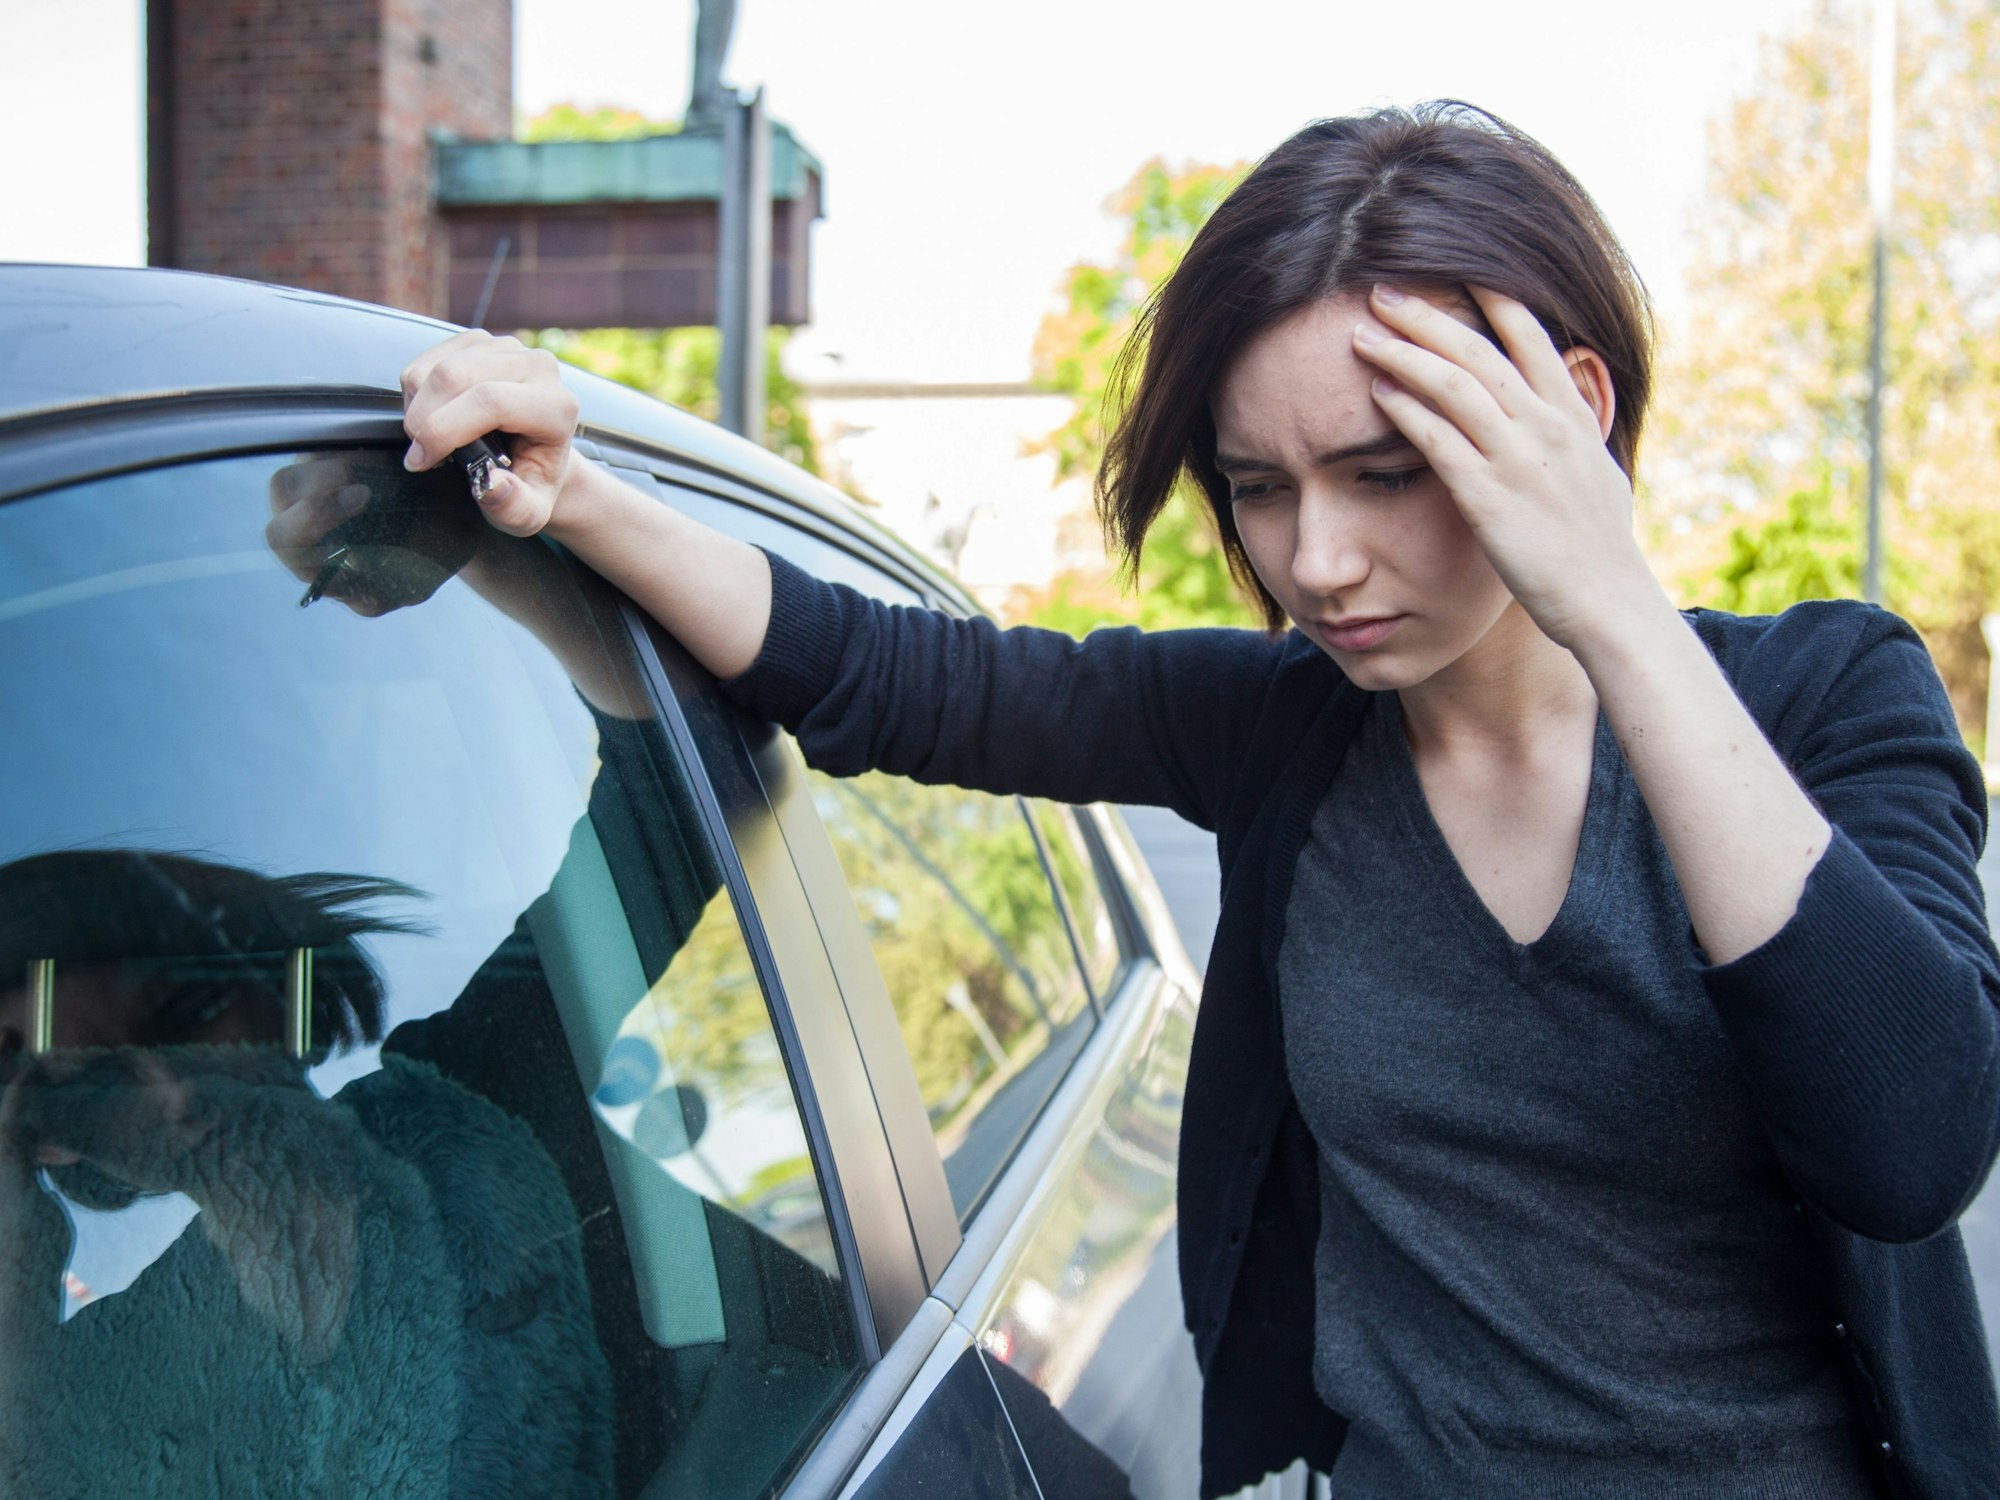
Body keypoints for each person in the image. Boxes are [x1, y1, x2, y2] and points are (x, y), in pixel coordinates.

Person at [394, 101, 2000, 1499]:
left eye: (1386, 472)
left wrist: (1618, 614)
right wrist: (580, 492)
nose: (1315, 563)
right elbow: (899, 679)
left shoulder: (1826, 700)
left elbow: (1911, 1145)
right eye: (1260, 489)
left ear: (1568, 413)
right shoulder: (1284, 733)